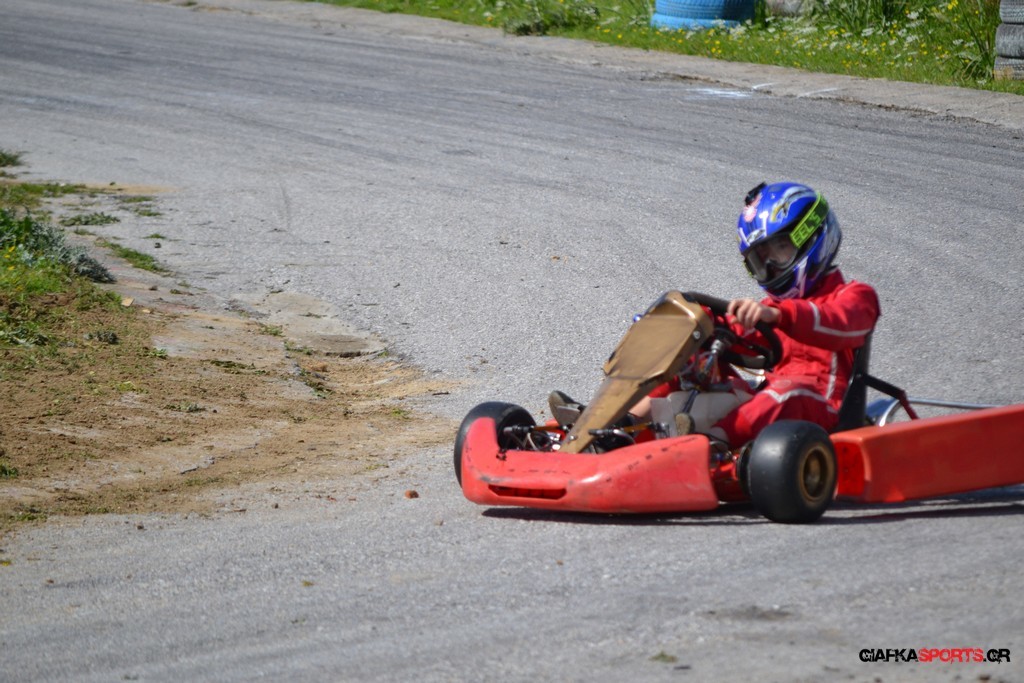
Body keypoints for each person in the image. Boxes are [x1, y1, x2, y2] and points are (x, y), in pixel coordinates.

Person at [560, 181, 880, 448]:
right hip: (768, 400)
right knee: (684, 361)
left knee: (785, 393)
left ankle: (707, 446)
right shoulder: (768, 312)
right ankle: (612, 427)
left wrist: (780, 316)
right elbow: (736, 335)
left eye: (780, 250)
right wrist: (693, 329)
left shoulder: (855, 296)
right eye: (761, 260)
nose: (770, 266)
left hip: (822, 408)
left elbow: (839, 323)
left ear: (811, 235)